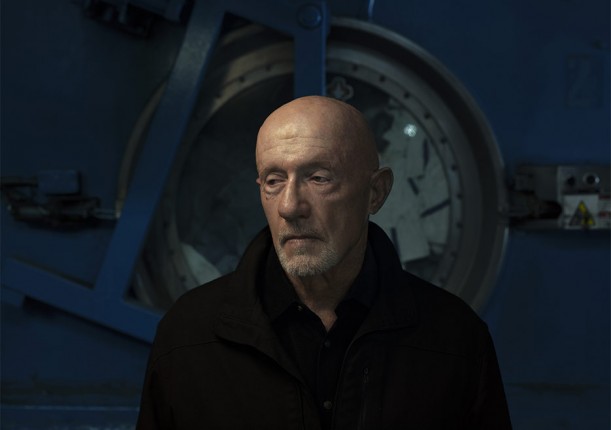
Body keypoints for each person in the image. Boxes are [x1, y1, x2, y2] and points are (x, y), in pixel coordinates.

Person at [136, 96, 512, 429]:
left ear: (376, 192)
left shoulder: (455, 339)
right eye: (274, 181)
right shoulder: (187, 336)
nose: (290, 207)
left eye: (318, 178)